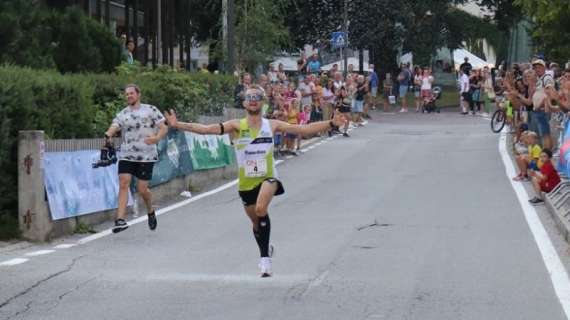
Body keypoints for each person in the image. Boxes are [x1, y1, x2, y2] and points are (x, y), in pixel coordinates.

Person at [164, 86, 346, 277]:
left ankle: (264, 260)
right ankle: (266, 249)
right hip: (246, 183)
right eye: (249, 97)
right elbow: (207, 129)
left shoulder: (272, 124)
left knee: (260, 209)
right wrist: (178, 124)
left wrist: (331, 124)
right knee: (256, 222)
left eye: (257, 97)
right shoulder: (236, 125)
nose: (253, 100)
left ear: (262, 102)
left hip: (268, 177)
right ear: (244, 103)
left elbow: (303, 129)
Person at [104, 84, 168, 233]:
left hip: (146, 155)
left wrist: (157, 138)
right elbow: (115, 125)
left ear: (138, 94)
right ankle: (120, 220)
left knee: (142, 189)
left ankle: (150, 210)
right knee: (123, 183)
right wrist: (108, 134)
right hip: (127, 154)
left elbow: (164, 126)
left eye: (131, 93)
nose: (129, 96)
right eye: (127, 94)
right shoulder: (123, 113)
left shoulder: (150, 110)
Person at [532, 59, 556, 150]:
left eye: (539, 67)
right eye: (535, 68)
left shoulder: (547, 78)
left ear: (544, 67)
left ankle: (547, 152)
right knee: (545, 133)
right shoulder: (540, 79)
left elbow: (549, 93)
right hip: (540, 109)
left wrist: (539, 105)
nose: (537, 70)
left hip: (543, 109)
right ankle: (548, 152)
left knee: (545, 133)